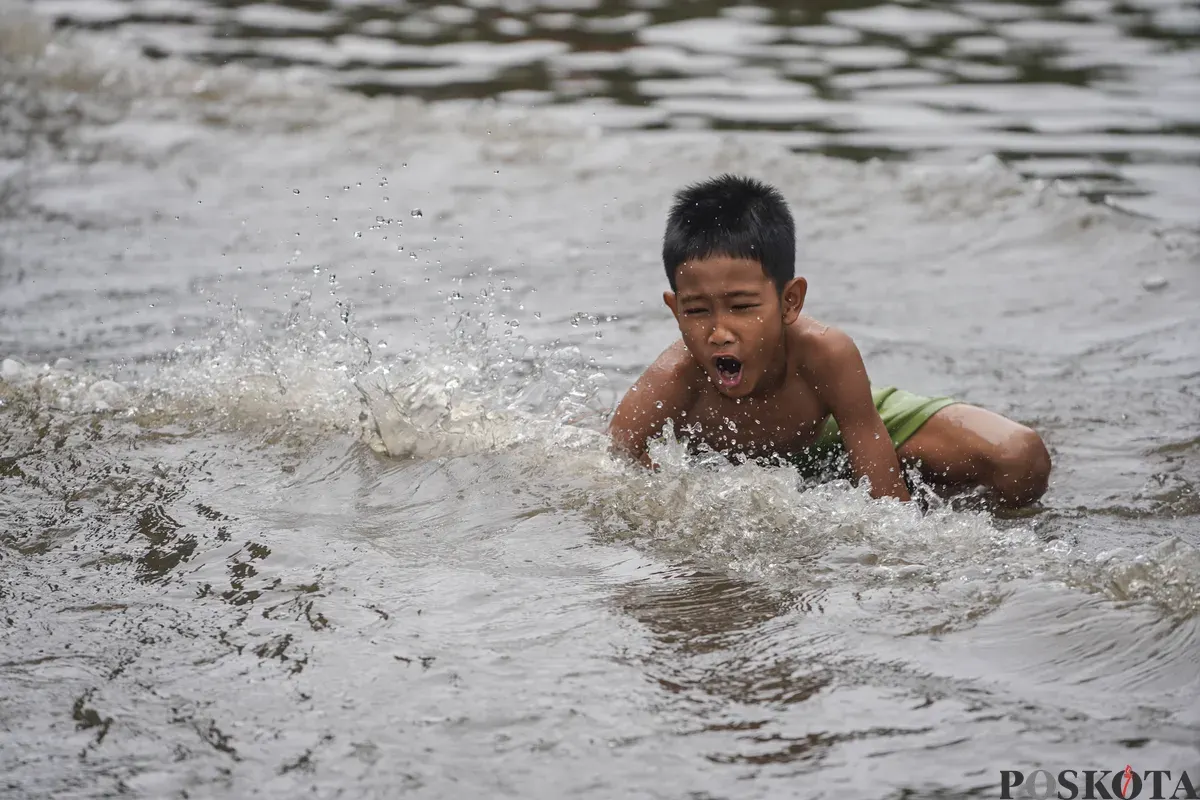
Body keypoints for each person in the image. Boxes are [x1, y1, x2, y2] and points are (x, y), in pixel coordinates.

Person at [607, 174, 1051, 508]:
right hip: (769, 471)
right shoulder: (674, 376)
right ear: (674, 308)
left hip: (842, 432)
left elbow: (885, 504)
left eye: (742, 306)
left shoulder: (825, 353)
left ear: (790, 302)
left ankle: (935, 493)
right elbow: (620, 457)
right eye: (697, 310)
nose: (720, 331)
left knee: (1020, 457)